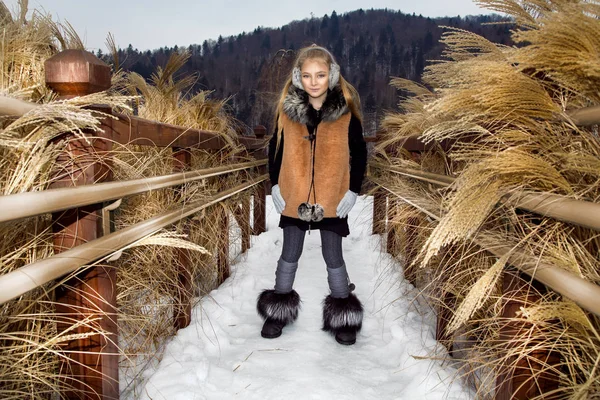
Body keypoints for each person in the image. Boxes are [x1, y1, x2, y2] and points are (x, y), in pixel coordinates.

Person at [256, 45, 368, 346]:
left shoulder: (345, 114)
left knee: (333, 254)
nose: (314, 81)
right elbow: (274, 150)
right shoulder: (287, 114)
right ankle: (277, 312)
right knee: (289, 252)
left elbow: (359, 153)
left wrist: (353, 190)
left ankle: (343, 316)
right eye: (307, 75)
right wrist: (275, 185)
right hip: (295, 195)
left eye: (320, 75)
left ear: (331, 76)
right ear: (298, 77)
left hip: (332, 196)